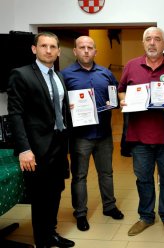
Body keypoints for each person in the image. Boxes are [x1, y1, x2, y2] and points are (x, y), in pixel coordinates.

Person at [7, 32, 75, 248]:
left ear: (58, 51)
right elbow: (15, 114)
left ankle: (51, 233)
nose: (49, 50)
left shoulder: (59, 76)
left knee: (55, 192)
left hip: (58, 144)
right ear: (34, 49)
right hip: (36, 148)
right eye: (44, 46)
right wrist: (24, 149)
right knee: (40, 197)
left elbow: (55, 107)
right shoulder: (21, 74)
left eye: (53, 46)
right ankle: (42, 241)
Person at [118, 26, 164, 237]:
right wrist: (124, 101)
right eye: (148, 39)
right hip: (139, 137)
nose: (152, 43)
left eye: (157, 39)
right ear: (143, 43)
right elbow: (121, 91)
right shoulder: (131, 66)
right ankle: (146, 216)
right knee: (144, 178)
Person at [61, 36, 124, 232]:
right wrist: (68, 107)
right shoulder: (64, 75)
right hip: (81, 136)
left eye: (90, 47)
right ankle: (80, 213)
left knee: (106, 173)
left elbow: (115, 98)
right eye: (82, 47)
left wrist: (115, 103)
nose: (86, 51)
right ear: (75, 51)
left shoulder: (105, 73)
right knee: (79, 176)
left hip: (104, 134)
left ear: (95, 51)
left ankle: (109, 206)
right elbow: (59, 105)